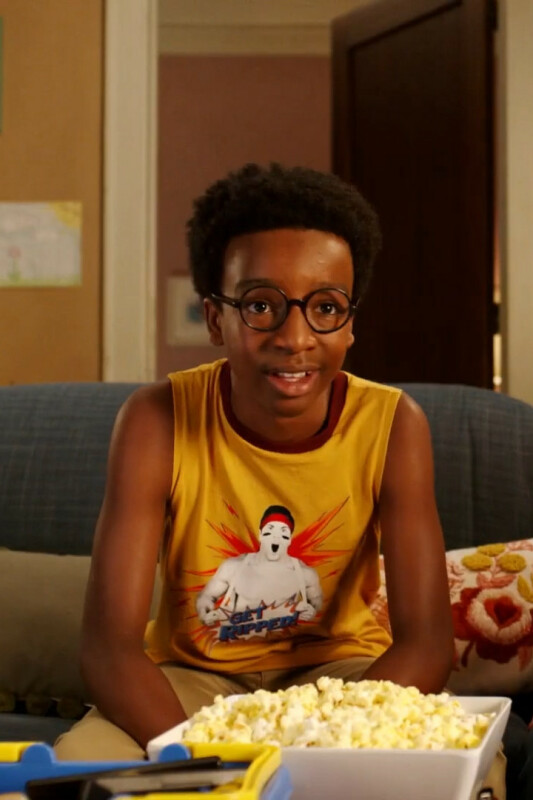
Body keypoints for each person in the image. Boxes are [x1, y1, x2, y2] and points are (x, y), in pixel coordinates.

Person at [55, 162, 455, 762]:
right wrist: (208, 763)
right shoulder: (155, 421)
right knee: (79, 766)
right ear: (215, 318)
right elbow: (109, 651)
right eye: (261, 305)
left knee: (465, 763)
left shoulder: (394, 426)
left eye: (326, 307)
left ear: (350, 324)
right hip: (190, 680)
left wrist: (328, 745)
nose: (295, 337)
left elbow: (426, 645)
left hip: (344, 678)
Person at [196, 504, 323, 628]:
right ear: (260, 535)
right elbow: (206, 596)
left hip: (282, 638)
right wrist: (204, 613)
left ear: (289, 539)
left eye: (283, 533)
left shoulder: (304, 573)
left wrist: (312, 611)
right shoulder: (233, 567)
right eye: (270, 531)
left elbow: (317, 601)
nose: (276, 537)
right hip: (236, 638)